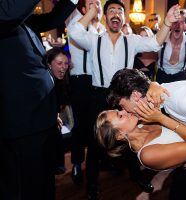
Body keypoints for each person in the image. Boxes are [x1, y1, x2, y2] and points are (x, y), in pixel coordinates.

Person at [68, 0, 182, 197]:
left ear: (123, 18)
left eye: (119, 11)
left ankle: (136, 175)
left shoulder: (132, 40)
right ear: (105, 17)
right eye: (111, 10)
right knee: (95, 142)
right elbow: (74, 32)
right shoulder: (94, 39)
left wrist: (167, 23)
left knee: (132, 135)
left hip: (124, 96)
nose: (115, 14)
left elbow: (156, 42)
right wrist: (92, 11)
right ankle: (92, 187)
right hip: (98, 95)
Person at [0, 0, 78, 199]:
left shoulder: (22, 21)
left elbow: (52, 18)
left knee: (45, 178)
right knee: (27, 183)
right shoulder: (6, 16)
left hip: (42, 117)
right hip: (22, 122)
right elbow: (9, 13)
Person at [65, 0, 106, 189]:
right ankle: (75, 164)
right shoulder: (76, 23)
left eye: (98, 2)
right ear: (83, 9)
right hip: (80, 81)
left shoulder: (103, 31)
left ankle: (96, 164)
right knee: (80, 127)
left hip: (97, 84)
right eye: (92, 3)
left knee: (96, 126)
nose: (96, 5)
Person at [156, 9, 186, 83]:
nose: (178, 26)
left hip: (180, 77)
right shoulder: (161, 37)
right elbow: (148, 41)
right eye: (175, 22)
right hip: (162, 76)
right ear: (171, 24)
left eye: (182, 22)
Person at [47, 47, 71, 175]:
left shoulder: (62, 81)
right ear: (49, 64)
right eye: (59, 63)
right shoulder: (44, 83)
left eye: (66, 63)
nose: (64, 67)